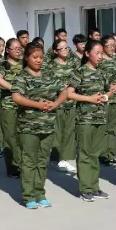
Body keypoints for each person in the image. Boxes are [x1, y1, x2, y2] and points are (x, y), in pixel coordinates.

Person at [12, 43, 71, 209]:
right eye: (35, 57)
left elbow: (64, 91)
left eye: (41, 58)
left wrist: (54, 104)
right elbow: (16, 97)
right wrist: (36, 104)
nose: (38, 61)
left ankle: (40, 192)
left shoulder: (49, 75)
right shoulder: (22, 76)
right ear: (27, 58)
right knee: (29, 161)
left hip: (47, 125)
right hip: (28, 127)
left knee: (42, 161)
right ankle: (28, 195)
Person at [71, 40, 113, 200]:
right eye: (97, 53)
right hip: (85, 119)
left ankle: (94, 187)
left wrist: (106, 96)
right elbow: (69, 93)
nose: (100, 56)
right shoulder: (80, 72)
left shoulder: (103, 72)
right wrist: (89, 99)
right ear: (87, 54)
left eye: (102, 53)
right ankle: (85, 188)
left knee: (95, 154)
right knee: (84, 153)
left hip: (100, 117)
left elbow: (111, 90)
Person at [0, 38, 25, 179]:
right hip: (9, 106)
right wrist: (14, 88)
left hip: (24, 106)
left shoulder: (25, 64)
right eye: (15, 48)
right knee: (10, 137)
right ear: (8, 50)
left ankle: (24, 165)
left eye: (20, 48)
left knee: (23, 137)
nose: (19, 51)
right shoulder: (3, 65)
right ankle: (13, 167)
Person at [50, 39, 79, 174]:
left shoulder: (73, 64)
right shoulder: (51, 66)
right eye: (61, 49)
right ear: (55, 51)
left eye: (66, 48)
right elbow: (49, 83)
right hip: (58, 104)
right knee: (58, 132)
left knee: (69, 132)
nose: (65, 51)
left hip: (71, 103)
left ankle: (65, 158)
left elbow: (77, 80)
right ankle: (56, 158)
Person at [100, 36, 116, 167]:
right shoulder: (99, 61)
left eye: (113, 45)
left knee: (114, 128)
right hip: (105, 99)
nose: (111, 48)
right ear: (103, 46)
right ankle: (103, 154)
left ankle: (112, 153)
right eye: (108, 45)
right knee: (104, 127)